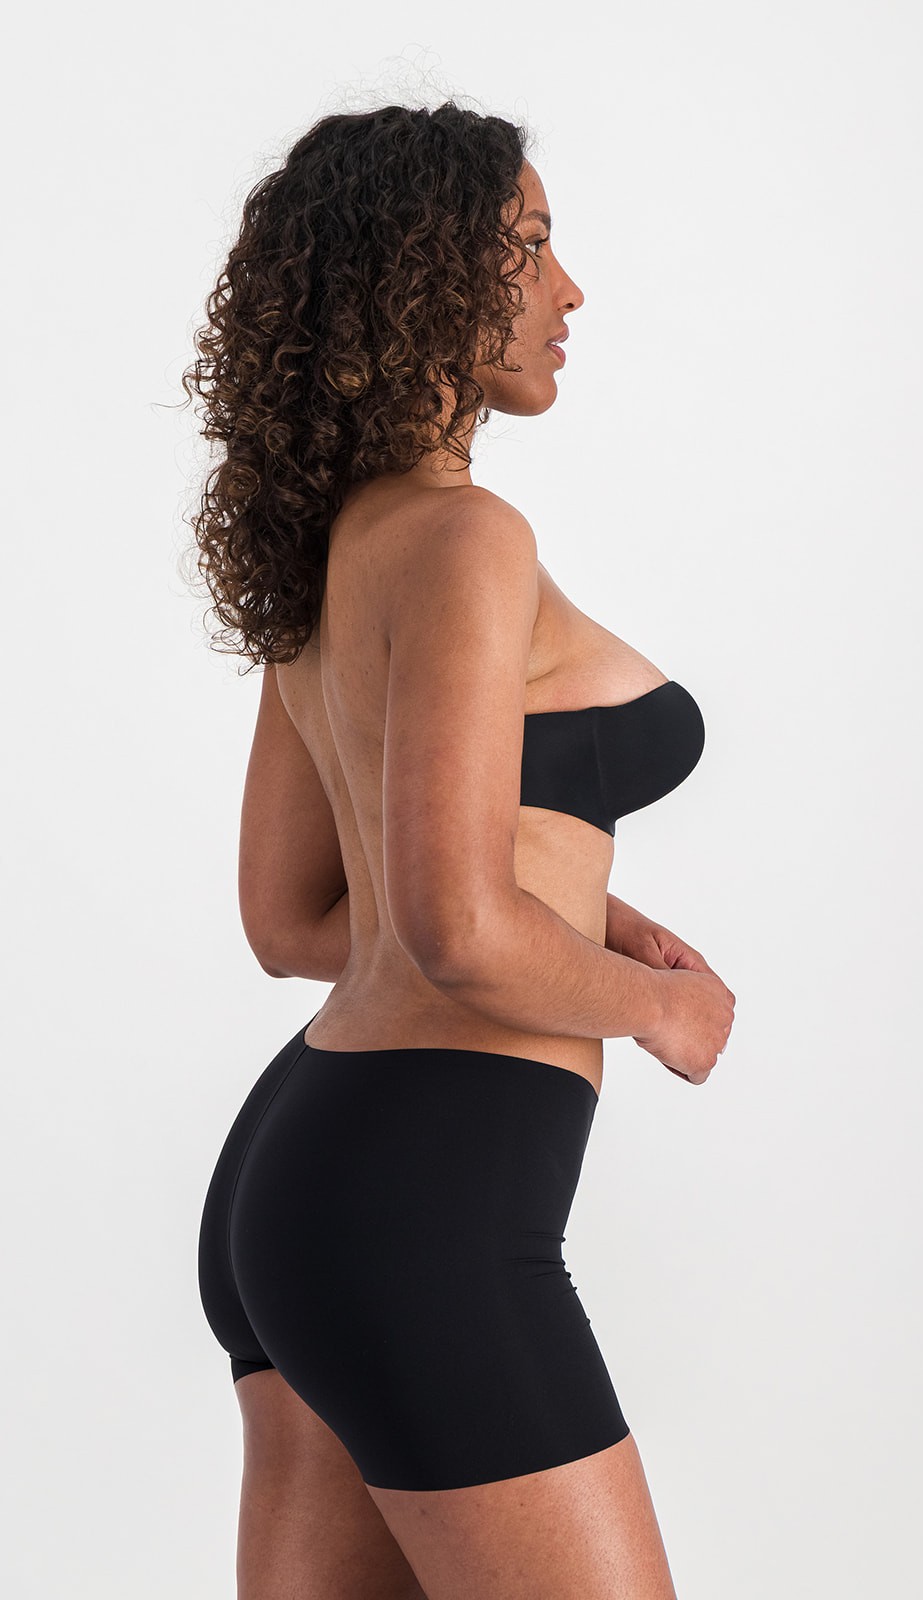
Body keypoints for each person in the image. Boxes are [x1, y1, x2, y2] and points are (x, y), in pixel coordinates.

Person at [184, 100, 735, 1600]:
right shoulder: (468, 539)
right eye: (533, 246)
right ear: (422, 273)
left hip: (304, 1178)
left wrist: (587, 911)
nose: (570, 291)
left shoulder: (334, 554)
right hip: (426, 1197)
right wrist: (664, 1009)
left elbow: (299, 917)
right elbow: (452, 929)